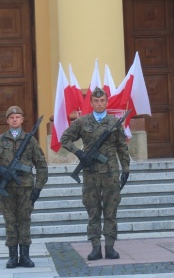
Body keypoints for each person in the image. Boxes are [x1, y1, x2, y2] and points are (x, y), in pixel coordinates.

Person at [61, 87, 130, 261]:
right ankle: (95, 248)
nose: (99, 104)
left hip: (111, 173)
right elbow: (65, 139)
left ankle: (110, 247)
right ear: (91, 103)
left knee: (110, 210)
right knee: (93, 211)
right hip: (91, 173)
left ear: (106, 102)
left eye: (102, 101)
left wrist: (126, 169)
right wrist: (79, 153)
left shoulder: (114, 122)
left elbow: (122, 147)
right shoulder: (82, 122)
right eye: (96, 101)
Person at [0, 106, 48, 269]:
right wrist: (3, 171)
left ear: (22, 120)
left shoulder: (30, 140)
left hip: (26, 188)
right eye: (11, 116)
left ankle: (25, 256)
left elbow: (41, 165)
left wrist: (38, 188)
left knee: (25, 221)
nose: (14, 119)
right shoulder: (1, 140)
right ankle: (13, 257)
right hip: (6, 190)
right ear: (7, 120)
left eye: (18, 116)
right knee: (10, 222)